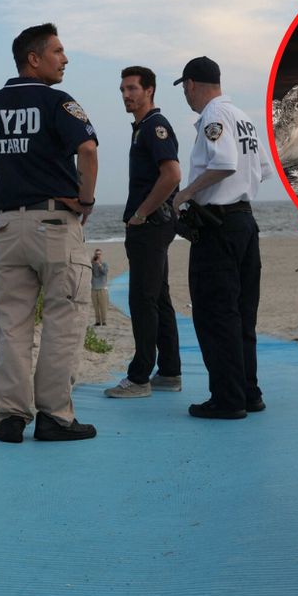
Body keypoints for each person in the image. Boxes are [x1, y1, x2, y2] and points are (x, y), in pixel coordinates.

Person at [0, 23, 99, 443]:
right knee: (63, 319)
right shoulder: (57, 102)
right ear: (33, 58)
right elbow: (87, 150)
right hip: (54, 224)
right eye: (58, 51)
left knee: (12, 325)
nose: (65, 58)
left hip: (7, 227)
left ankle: (11, 417)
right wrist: (85, 201)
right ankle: (53, 415)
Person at [171, 57, 274, 420]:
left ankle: (227, 399)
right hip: (245, 220)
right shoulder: (243, 118)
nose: (185, 94)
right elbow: (262, 170)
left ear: (192, 84)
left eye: (184, 87)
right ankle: (248, 391)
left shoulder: (213, 118)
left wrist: (186, 194)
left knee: (217, 314)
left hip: (218, 226)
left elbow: (224, 162)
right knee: (243, 313)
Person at [104, 65, 182, 399]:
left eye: (132, 88)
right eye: (122, 89)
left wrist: (140, 213)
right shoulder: (142, 128)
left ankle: (139, 378)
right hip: (153, 226)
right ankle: (169, 371)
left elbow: (173, 174)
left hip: (150, 226)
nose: (126, 95)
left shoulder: (155, 127)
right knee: (159, 297)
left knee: (142, 299)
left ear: (149, 90)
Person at [91, 248, 109, 326]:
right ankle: (97, 321)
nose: (97, 256)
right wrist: (91, 262)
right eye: (96, 254)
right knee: (95, 307)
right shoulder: (92, 264)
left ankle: (104, 321)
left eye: (99, 254)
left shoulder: (104, 264)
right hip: (94, 288)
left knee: (103, 306)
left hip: (102, 288)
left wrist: (99, 265)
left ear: (101, 255)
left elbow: (104, 272)